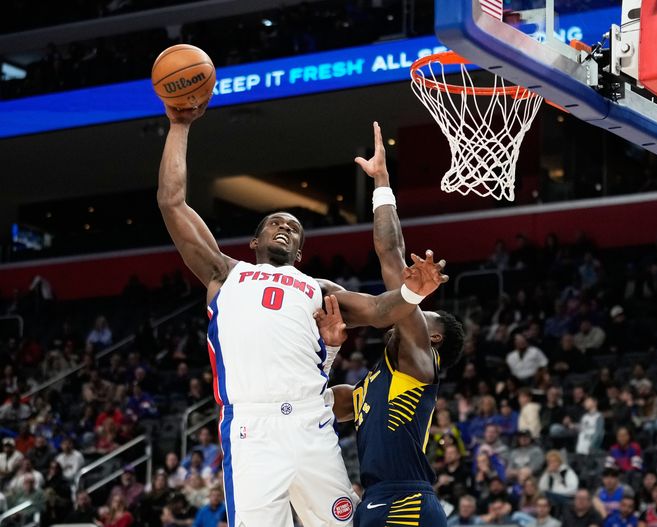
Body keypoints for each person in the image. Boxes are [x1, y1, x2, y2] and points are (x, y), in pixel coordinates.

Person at [158, 109, 448, 526]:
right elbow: (171, 202)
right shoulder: (225, 272)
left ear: (299, 253)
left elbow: (383, 309)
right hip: (252, 430)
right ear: (255, 240)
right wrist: (180, 125)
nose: (284, 226)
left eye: (293, 228)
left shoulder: (319, 289)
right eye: (274, 222)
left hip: (311, 425)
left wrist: (413, 292)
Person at [328, 122, 465, 527]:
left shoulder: (419, 363)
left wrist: (383, 184)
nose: (408, 313)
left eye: (422, 316)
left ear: (432, 337)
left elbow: (392, 256)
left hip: (405, 501)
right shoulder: (379, 379)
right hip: (378, 500)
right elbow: (338, 404)